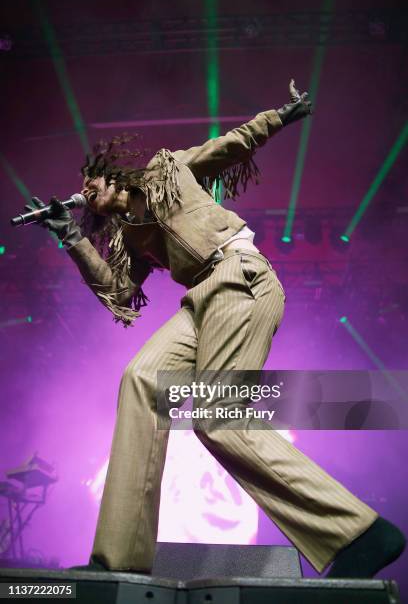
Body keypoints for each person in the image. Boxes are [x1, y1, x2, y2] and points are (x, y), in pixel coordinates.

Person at [27, 80, 405, 578]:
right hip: (200, 300)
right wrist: (72, 237)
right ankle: (117, 559)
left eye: (88, 181)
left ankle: (360, 532)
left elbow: (229, 146)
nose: (82, 189)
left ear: (110, 177)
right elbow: (118, 294)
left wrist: (281, 115)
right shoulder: (130, 233)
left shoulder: (166, 170)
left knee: (218, 418)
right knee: (140, 379)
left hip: (239, 276)